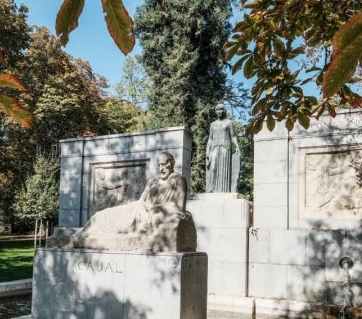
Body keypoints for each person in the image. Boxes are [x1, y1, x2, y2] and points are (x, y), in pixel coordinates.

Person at [45, 152, 193, 251]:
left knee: (108, 224)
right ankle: (75, 235)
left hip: (146, 217)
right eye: (159, 165)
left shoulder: (178, 180)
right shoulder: (153, 181)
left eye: (164, 164)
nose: (161, 168)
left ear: (172, 163)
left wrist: (154, 209)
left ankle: (75, 237)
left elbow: (178, 206)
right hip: (136, 210)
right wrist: (144, 208)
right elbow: (142, 199)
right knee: (102, 215)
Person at [206, 104, 240, 193]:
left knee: (223, 169)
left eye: (220, 110)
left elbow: (233, 136)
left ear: (224, 111)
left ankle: (223, 190)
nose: (219, 112)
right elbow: (210, 138)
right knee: (213, 168)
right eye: (217, 110)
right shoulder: (212, 124)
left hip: (225, 147)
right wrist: (207, 151)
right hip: (214, 148)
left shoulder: (229, 122)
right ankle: (211, 188)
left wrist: (237, 146)